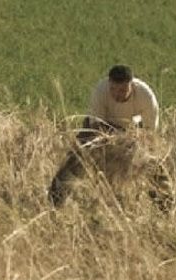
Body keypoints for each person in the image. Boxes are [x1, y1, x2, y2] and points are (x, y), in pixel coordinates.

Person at [48, 65, 169, 209]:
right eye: (113, 89)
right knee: (77, 156)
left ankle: (165, 202)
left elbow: (149, 132)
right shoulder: (100, 91)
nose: (117, 94)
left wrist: (133, 144)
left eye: (122, 90)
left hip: (132, 130)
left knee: (151, 163)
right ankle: (56, 198)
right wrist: (112, 143)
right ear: (109, 84)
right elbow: (96, 127)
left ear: (132, 85)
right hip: (102, 127)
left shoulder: (146, 96)